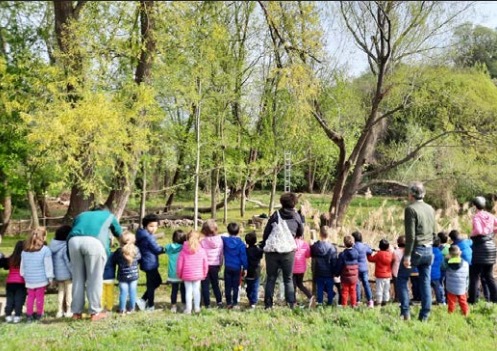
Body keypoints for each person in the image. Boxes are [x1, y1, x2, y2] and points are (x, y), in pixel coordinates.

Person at [68, 204, 122, 321]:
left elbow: (75, 228)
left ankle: (76, 313)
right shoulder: (109, 215)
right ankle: (95, 312)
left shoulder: (81, 215)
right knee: (94, 279)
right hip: (94, 242)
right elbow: (119, 233)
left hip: (73, 242)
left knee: (78, 279)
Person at [399, 181, 435, 321]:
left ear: (411, 194)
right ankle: (425, 315)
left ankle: (405, 312)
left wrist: (407, 255)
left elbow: (411, 236)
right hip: (429, 249)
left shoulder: (410, 209)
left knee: (402, 279)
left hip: (416, 249)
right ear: (423, 194)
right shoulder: (430, 208)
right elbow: (434, 232)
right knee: (425, 281)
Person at [261, 192, 304, 309]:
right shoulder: (296, 216)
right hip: (288, 251)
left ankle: (268, 305)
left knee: (271, 278)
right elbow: (300, 232)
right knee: (288, 278)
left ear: (282, 202)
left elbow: (266, 232)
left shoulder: (275, 215)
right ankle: (291, 304)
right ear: (294, 203)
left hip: (272, 250)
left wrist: (264, 243)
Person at [20, 227, 54, 322]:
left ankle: (29, 314)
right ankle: (39, 314)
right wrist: (50, 278)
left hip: (29, 279)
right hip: (41, 279)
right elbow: (48, 266)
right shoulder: (45, 250)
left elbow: (22, 267)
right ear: (42, 238)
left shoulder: (24, 251)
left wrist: (24, 275)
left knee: (30, 297)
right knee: (40, 297)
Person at [468, 196, 497, 304]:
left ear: (475, 206)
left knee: (474, 276)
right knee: (488, 276)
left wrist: (472, 234)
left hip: (480, 248)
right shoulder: (490, 215)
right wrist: (491, 232)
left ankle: (472, 300)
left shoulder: (476, 217)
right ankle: (495, 299)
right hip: (491, 247)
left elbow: (479, 231)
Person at [136, 214, 164, 311]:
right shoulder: (148, 237)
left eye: (156, 226)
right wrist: (165, 249)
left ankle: (143, 300)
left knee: (157, 281)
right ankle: (150, 306)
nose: (154, 228)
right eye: (151, 226)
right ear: (145, 226)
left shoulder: (142, 234)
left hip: (148, 261)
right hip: (150, 263)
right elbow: (156, 249)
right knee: (151, 285)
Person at [177, 230, 208, 314]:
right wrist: (204, 273)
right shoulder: (201, 250)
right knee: (196, 291)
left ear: (187, 238)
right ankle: (197, 308)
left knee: (188, 291)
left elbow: (179, 265)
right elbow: (205, 264)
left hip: (186, 275)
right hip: (198, 275)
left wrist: (179, 274)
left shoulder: (183, 251)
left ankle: (188, 309)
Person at [113, 232, 141, 315]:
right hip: (134, 275)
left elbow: (115, 260)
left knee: (123, 293)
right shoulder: (136, 250)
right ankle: (131, 309)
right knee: (133, 292)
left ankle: (122, 310)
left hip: (122, 276)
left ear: (121, 241)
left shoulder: (119, 251)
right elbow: (139, 258)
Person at [221, 222, 248, 309]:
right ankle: (235, 302)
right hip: (237, 268)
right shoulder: (241, 244)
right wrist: (245, 267)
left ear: (228, 231)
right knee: (236, 286)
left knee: (227, 286)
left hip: (228, 266)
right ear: (239, 231)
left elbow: (219, 236)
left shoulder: (224, 240)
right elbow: (243, 257)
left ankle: (228, 302)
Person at [49, 225, 73, 318]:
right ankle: (69, 310)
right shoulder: (65, 247)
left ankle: (59, 311)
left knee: (61, 292)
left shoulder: (52, 245)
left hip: (58, 275)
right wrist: (73, 272)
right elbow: (67, 261)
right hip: (67, 274)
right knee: (69, 293)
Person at [310, 226, 338, 307]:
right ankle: (330, 303)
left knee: (320, 288)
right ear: (328, 235)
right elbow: (334, 261)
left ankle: (320, 302)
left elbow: (311, 254)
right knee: (329, 288)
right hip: (329, 272)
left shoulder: (315, 246)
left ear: (320, 234)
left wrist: (312, 245)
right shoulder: (332, 248)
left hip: (318, 271)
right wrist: (335, 272)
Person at [200, 219, 224, 308]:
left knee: (205, 285)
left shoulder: (202, 241)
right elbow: (221, 254)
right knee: (215, 284)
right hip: (215, 265)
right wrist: (220, 264)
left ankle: (207, 303)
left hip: (204, 265)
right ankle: (219, 301)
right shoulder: (220, 240)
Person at [0, 241, 26, 323]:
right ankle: (17, 315)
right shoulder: (24, 259)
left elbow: (4, 266)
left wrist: (2, 256)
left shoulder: (11, 258)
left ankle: (8, 315)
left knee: (10, 299)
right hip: (21, 283)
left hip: (10, 282)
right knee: (19, 300)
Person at [165, 229, 187, 313]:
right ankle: (184, 304)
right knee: (183, 289)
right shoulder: (184, 247)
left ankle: (173, 306)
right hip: (182, 273)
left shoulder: (169, 247)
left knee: (174, 290)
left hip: (172, 273)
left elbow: (164, 249)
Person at [367, 239, 393, 306]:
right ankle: (386, 302)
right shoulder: (390, 254)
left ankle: (379, 302)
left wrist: (368, 253)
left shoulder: (378, 254)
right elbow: (393, 259)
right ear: (387, 247)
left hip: (380, 276)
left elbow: (370, 259)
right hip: (388, 276)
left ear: (379, 246)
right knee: (386, 290)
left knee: (379, 290)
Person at [445, 245, 470, 316]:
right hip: (462, 286)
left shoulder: (447, 263)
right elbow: (467, 276)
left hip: (451, 287)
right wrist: (466, 287)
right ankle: (465, 313)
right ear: (460, 253)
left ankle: (450, 313)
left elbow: (442, 267)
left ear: (449, 254)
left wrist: (446, 258)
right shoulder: (466, 263)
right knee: (463, 301)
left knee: (451, 301)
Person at [352, 231, 374, 308]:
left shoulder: (353, 247)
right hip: (364, 268)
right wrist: (367, 245)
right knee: (366, 284)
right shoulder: (364, 246)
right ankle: (370, 300)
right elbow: (370, 251)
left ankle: (358, 301)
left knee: (357, 284)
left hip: (356, 268)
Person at [336, 235, 359, 307]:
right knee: (353, 291)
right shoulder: (356, 253)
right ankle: (353, 304)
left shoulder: (342, 255)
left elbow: (339, 266)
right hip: (354, 277)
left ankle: (344, 305)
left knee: (344, 292)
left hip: (345, 277)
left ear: (344, 244)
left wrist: (337, 273)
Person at [293, 228, 313, 306]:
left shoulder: (291, 243)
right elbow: (308, 255)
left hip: (292, 268)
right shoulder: (305, 244)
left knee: (293, 285)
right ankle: (310, 296)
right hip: (301, 269)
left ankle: (293, 301)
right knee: (300, 284)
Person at [245, 231, 263, 308]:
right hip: (256, 271)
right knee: (255, 286)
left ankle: (249, 297)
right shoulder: (258, 250)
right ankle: (253, 302)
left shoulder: (245, 251)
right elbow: (261, 255)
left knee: (249, 286)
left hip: (248, 271)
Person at [430, 237, 445, 305]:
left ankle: (427, 300)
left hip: (428, 273)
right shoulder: (439, 253)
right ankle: (439, 300)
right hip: (436, 273)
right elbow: (441, 262)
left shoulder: (429, 251)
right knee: (437, 288)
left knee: (427, 288)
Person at [391, 235, 405, 302]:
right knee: (404, 286)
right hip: (405, 270)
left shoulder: (395, 252)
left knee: (396, 286)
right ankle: (404, 297)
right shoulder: (407, 251)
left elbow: (392, 260)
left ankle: (397, 298)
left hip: (395, 270)